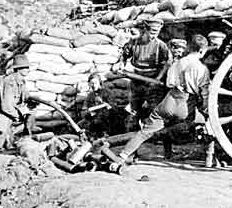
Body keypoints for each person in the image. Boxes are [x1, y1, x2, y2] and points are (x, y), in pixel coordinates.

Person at [118, 34, 210, 164]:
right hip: (187, 105)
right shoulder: (202, 69)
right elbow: (205, 93)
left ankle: (122, 155)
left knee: (145, 131)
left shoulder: (177, 63)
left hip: (170, 100)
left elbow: (169, 83)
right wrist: (207, 111)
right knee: (209, 126)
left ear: (189, 48)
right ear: (202, 50)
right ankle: (211, 157)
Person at [120, 17, 172, 124]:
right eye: (152, 32)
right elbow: (124, 55)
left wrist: (157, 79)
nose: (154, 36)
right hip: (136, 80)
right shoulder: (134, 43)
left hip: (153, 80)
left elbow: (167, 64)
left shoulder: (161, 46)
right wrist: (121, 65)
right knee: (135, 107)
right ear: (145, 30)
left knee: (151, 109)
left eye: (156, 33)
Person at [0, 54, 31, 153]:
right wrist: (19, 116)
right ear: (18, 69)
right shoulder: (9, 82)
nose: (28, 70)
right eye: (25, 67)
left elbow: (24, 97)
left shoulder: (21, 82)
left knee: (7, 148)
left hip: (8, 120)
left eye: (28, 67)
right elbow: (6, 106)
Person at [80, 72, 114, 138]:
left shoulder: (106, 93)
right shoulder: (90, 95)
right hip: (92, 117)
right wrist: (89, 113)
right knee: (80, 125)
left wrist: (103, 105)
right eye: (91, 83)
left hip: (105, 119)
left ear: (99, 83)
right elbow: (85, 109)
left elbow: (112, 108)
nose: (93, 85)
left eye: (95, 83)